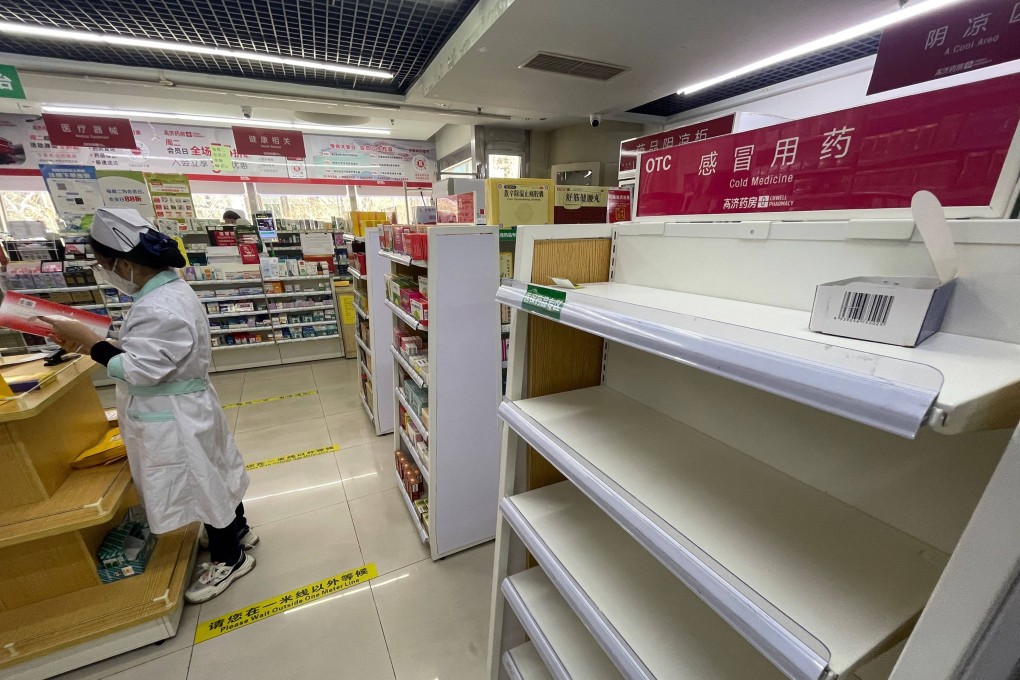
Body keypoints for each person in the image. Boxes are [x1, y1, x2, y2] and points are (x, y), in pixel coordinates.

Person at [46, 208, 258, 604]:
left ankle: (231, 557)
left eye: (103, 265)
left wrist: (91, 345)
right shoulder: (166, 293)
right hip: (185, 405)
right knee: (214, 471)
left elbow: (140, 370)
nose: (102, 271)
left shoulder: (159, 305)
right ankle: (238, 530)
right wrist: (93, 339)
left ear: (124, 264)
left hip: (174, 413)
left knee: (204, 479)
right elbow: (155, 350)